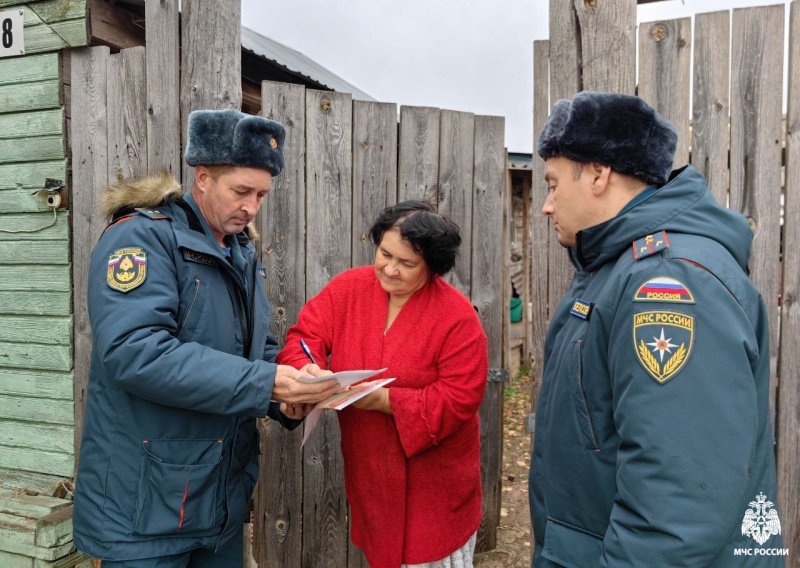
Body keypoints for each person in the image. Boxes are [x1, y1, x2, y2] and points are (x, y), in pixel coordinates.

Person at [72, 109, 341, 566]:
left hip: (217, 500)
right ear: (202, 178)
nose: (252, 207)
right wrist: (265, 383)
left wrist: (288, 392)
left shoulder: (238, 249)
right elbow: (135, 352)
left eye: (261, 195)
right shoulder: (141, 239)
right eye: (241, 191)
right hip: (145, 507)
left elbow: (252, 347)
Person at [528, 91, 783, 567]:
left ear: (599, 175)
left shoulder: (667, 280)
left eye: (552, 183)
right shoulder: (615, 267)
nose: (547, 204)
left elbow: (677, 506)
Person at [276, 200, 488, 568]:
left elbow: (458, 400)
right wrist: (305, 368)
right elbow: (304, 336)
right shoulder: (348, 289)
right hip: (371, 469)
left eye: (406, 264)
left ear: (433, 267)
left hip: (434, 483)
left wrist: (384, 400)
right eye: (384, 253)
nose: (389, 269)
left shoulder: (458, 319)